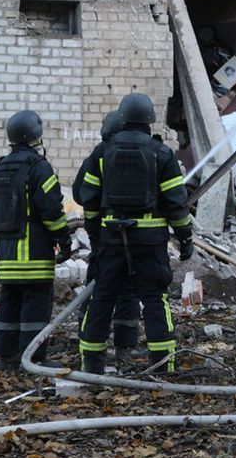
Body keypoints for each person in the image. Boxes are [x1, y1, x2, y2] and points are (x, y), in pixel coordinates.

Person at [76, 93, 193, 374]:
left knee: (102, 297)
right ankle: (163, 366)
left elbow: (88, 199)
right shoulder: (162, 154)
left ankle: (91, 365)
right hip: (150, 242)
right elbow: (176, 202)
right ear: (150, 121)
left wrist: (95, 234)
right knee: (155, 299)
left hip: (111, 239)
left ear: (123, 117)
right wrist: (185, 237)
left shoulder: (102, 152)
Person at [0, 109, 72, 370]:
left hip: (8, 255)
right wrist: (64, 240)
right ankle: (33, 358)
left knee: (9, 306)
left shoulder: (1, 167)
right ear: (37, 136)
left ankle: (6, 357)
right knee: (35, 307)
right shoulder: (39, 168)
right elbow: (51, 210)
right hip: (34, 254)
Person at [72, 111, 145, 365]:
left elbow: (80, 194)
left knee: (99, 292)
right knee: (127, 292)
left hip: (105, 240)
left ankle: (89, 342)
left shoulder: (98, 154)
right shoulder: (133, 153)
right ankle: (125, 349)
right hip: (135, 239)